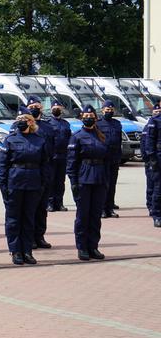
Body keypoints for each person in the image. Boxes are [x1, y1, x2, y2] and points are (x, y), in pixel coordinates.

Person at [0, 107, 47, 265]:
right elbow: (2, 167)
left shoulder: (39, 140)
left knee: (28, 218)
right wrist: (4, 187)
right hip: (15, 182)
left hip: (33, 183)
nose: (21, 122)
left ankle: (27, 250)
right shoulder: (10, 140)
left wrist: (42, 185)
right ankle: (15, 250)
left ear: (31, 122)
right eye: (18, 120)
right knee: (13, 219)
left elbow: (45, 165)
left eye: (24, 119)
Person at [67, 105, 109, 260]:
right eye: (86, 115)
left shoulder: (102, 136)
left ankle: (93, 246)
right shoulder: (77, 136)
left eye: (91, 115)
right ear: (82, 118)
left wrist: (107, 180)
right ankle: (82, 247)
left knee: (95, 215)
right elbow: (72, 162)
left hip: (99, 178)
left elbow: (107, 160)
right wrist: (73, 182)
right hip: (84, 178)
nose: (89, 117)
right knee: (83, 216)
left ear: (96, 118)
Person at [26, 96, 54, 249]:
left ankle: (39, 235)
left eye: (36, 106)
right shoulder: (22, 125)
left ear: (41, 108)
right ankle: (29, 238)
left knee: (42, 206)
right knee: (30, 207)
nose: (34, 109)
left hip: (45, 169)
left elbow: (53, 149)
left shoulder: (48, 127)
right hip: (30, 172)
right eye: (31, 107)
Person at [96, 100, 122, 218]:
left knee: (112, 185)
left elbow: (119, 140)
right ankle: (101, 209)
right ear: (102, 110)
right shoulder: (98, 124)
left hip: (114, 158)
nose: (109, 112)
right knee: (103, 185)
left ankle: (110, 208)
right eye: (107, 110)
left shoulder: (117, 123)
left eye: (111, 110)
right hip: (103, 159)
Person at [47, 99, 72, 212]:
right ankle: (50, 203)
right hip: (52, 156)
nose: (57, 109)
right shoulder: (48, 124)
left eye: (59, 108)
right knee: (51, 180)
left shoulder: (66, 124)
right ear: (51, 109)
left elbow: (69, 139)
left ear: (62, 109)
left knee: (60, 181)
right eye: (54, 108)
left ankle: (59, 202)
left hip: (63, 156)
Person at [144, 102, 161, 228]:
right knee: (158, 189)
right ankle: (157, 216)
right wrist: (152, 158)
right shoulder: (155, 121)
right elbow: (149, 141)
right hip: (158, 158)